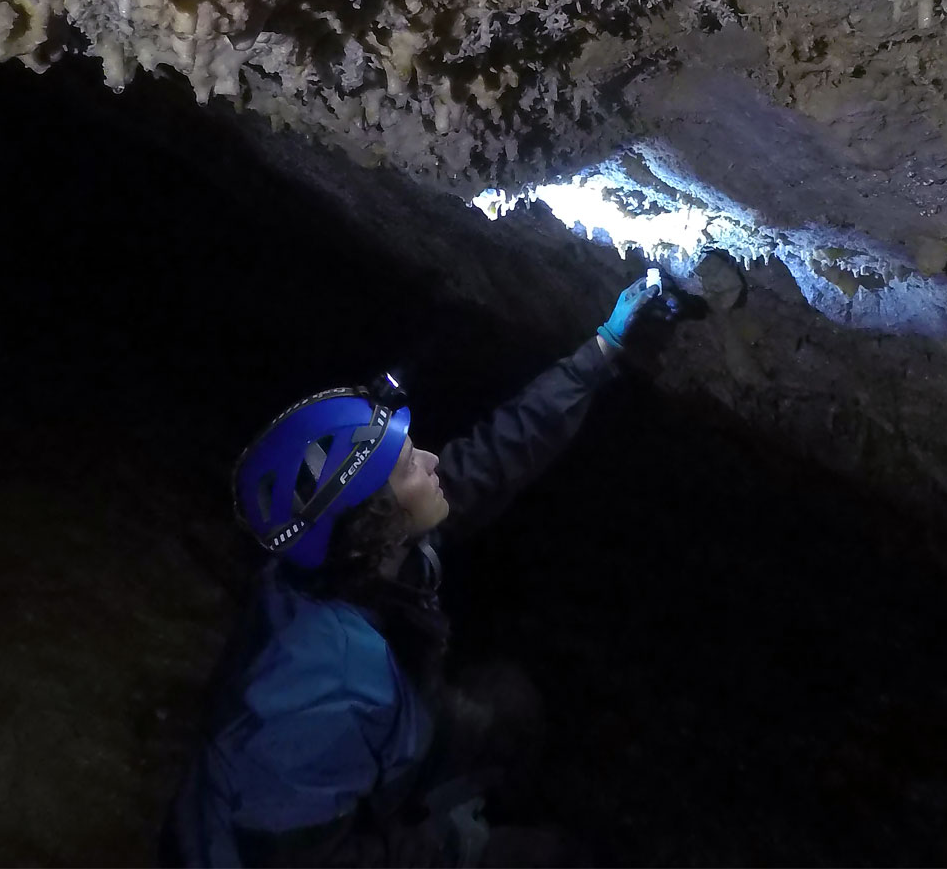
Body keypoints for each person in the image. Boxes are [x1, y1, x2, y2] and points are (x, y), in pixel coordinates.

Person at [164, 274, 676, 867]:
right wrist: (453, 843)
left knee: (509, 699)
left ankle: (481, 805)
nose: (434, 459)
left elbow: (494, 457)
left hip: (377, 753)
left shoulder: (345, 551)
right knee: (549, 858)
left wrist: (602, 350)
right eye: (410, 465)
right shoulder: (328, 689)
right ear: (375, 521)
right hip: (272, 851)